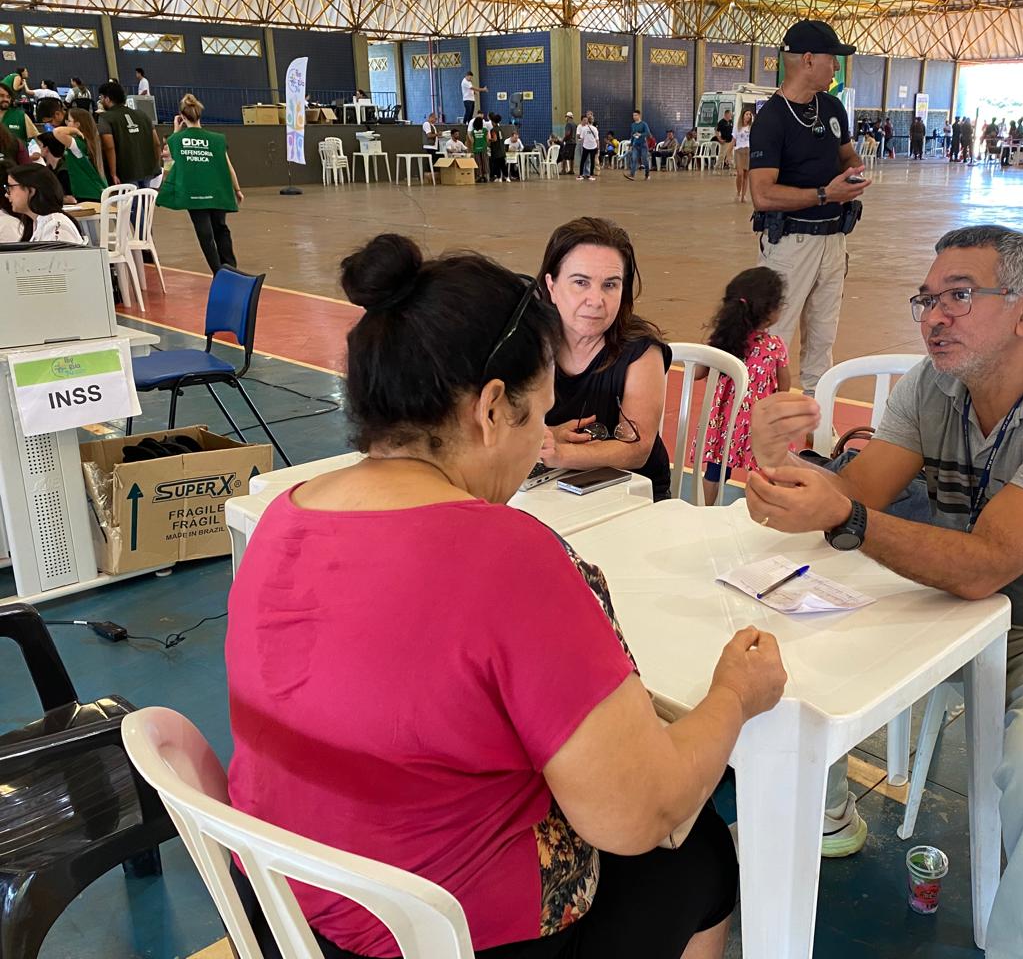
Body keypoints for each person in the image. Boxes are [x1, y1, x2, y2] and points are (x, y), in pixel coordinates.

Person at [226, 232, 787, 959]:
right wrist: (735, 695)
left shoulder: (285, 512)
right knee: (696, 848)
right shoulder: (509, 555)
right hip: (432, 934)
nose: (535, 448)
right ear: (492, 409)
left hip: (285, 907)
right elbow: (638, 815)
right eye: (539, 415)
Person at [746, 224, 1023, 959]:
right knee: (795, 631)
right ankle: (830, 808)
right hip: (956, 602)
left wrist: (842, 514)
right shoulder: (932, 384)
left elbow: (980, 562)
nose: (935, 316)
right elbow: (852, 497)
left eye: (960, 297)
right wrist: (774, 461)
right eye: (927, 299)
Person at [748, 19, 869, 394]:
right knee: (776, 341)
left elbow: (847, 155)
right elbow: (763, 194)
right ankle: (765, 431)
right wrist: (823, 194)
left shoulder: (832, 108)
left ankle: (817, 432)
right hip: (790, 245)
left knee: (822, 339)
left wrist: (854, 173)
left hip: (834, 241)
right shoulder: (772, 118)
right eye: (833, 59)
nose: (837, 67)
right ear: (808, 59)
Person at [538, 217, 673, 500]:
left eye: (610, 285)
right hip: (551, 491)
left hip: (631, 496)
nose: (596, 300)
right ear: (551, 285)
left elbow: (636, 449)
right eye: (580, 282)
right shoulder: (529, 342)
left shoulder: (642, 351)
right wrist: (546, 435)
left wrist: (556, 451)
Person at [698, 267, 790, 505]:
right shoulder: (774, 346)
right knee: (764, 470)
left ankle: (708, 510)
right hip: (760, 421)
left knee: (716, 469)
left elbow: (698, 373)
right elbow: (785, 387)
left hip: (724, 421)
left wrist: (706, 348)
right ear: (771, 311)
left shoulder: (723, 340)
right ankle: (761, 510)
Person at [157, 94, 243, 275]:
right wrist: (237, 189)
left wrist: (176, 130)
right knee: (221, 228)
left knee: (205, 235)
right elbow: (228, 166)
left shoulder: (175, 140)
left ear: (181, 115)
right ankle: (231, 269)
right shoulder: (217, 139)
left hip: (194, 193)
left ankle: (218, 272)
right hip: (217, 190)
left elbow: (172, 159)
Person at [97, 80, 161, 187]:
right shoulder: (143, 114)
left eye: (101, 98)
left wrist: (113, 173)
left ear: (107, 99)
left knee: (130, 202)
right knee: (145, 201)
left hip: (126, 171)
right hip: (148, 169)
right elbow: (157, 143)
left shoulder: (105, 118)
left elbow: (109, 147)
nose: (100, 101)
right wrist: (156, 166)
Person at [6, 164, 86, 243]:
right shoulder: (35, 224)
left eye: (11, 187)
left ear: (31, 190)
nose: (6, 194)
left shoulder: (55, 226)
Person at [57, 108, 107, 189]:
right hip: (93, 188)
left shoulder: (78, 143)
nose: (66, 124)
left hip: (89, 191)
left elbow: (57, 132)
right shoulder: (87, 141)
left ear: (77, 124)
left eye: (69, 121)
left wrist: (74, 130)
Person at [732, 110, 753, 202]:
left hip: (748, 151)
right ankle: (738, 192)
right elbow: (733, 140)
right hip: (739, 151)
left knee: (746, 175)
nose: (748, 116)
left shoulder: (752, 127)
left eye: (750, 115)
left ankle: (743, 195)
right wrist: (728, 154)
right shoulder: (737, 127)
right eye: (747, 114)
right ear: (743, 116)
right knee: (740, 174)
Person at [624, 109, 651, 181]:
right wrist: (631, 144)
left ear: (639, 115)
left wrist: (641, 134)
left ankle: (647, 174)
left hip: (643, 145)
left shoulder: (644, 124)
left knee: (645, 160)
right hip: (636, 145)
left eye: (635, 115)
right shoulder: (632, 125)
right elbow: (632, 135)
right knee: (634, 159)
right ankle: (632, 175)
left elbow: (648, 133)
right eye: (633, 115)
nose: (634, 117)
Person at [577, 112, 599, 180]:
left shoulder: (583, 128)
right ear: (592, 121)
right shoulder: (595, 129)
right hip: (593, 146)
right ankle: (591, 175)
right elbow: (597, 139)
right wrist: (598, 148)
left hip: (585, 146)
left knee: (583, 160)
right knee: (592, 161)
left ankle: (580, 175)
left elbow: (581, 137)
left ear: (587, 121)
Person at [487, 113, 508, 182]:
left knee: (497, 165)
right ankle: (507, 177)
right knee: (503, 164)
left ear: (493, 122)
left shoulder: (493, 130)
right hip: (502, 149)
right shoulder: (500, 129)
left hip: (496, 150)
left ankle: (499, 178)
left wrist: (489, 139)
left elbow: (495, 139)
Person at [468, 115, 489, 182]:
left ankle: (479, 175)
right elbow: (487, 139)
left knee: (478, 162)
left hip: (476, 148)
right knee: (485, 162)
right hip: (483, 148)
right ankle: (485, 175)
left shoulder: (473, 131)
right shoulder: (485, 130)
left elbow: (472, 141)